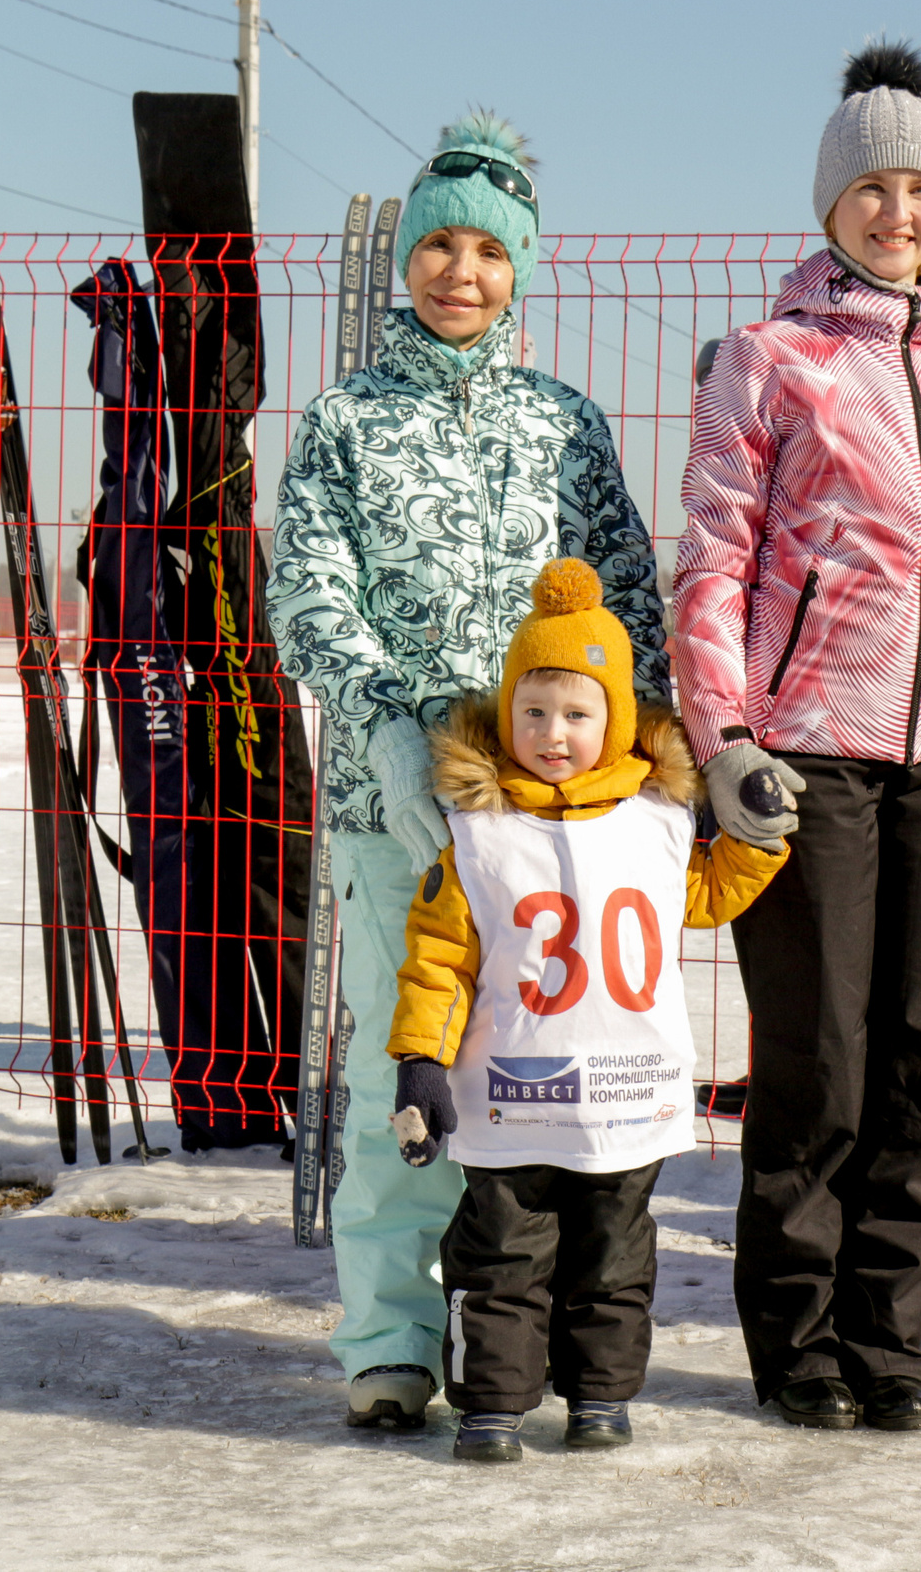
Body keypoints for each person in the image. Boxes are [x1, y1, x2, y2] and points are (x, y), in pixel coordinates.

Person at [673, 41, 921, 1433]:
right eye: (872, 187)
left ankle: (888, 1330)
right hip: (806, 751)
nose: (897, 212)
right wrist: (722, 734)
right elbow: (711, 564)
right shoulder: (765, 363)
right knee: (819, 1051)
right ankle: (796, 1336)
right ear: (829, 201)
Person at [265, 112, 671, 1434]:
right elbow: (308, 594)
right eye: (436, 243)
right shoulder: (342, 422)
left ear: (524, 268)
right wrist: (384, 721)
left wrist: (635, 756)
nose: (460, 272)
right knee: (412, 1075)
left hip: (552, 823)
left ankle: (525, 1341)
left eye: (487, 251)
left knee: (542, 1087)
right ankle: (389, 1340)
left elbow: (630, 603)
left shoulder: (567, 426)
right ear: (403, 262)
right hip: (403, 815)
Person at [383, 560, 786, 1461]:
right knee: (501, 1259)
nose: (553, 734)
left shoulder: (655, 815)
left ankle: (600, 1395)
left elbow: (708, 894)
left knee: (613, 1258)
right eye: (533, 712)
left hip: (625, 1099)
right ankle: (491, 1401)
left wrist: (764, 839)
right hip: (509, 1098)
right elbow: (439, 959)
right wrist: (419, 1063)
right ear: (505, 712)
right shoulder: (477, 830)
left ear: (614, 718)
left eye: (577, 714)